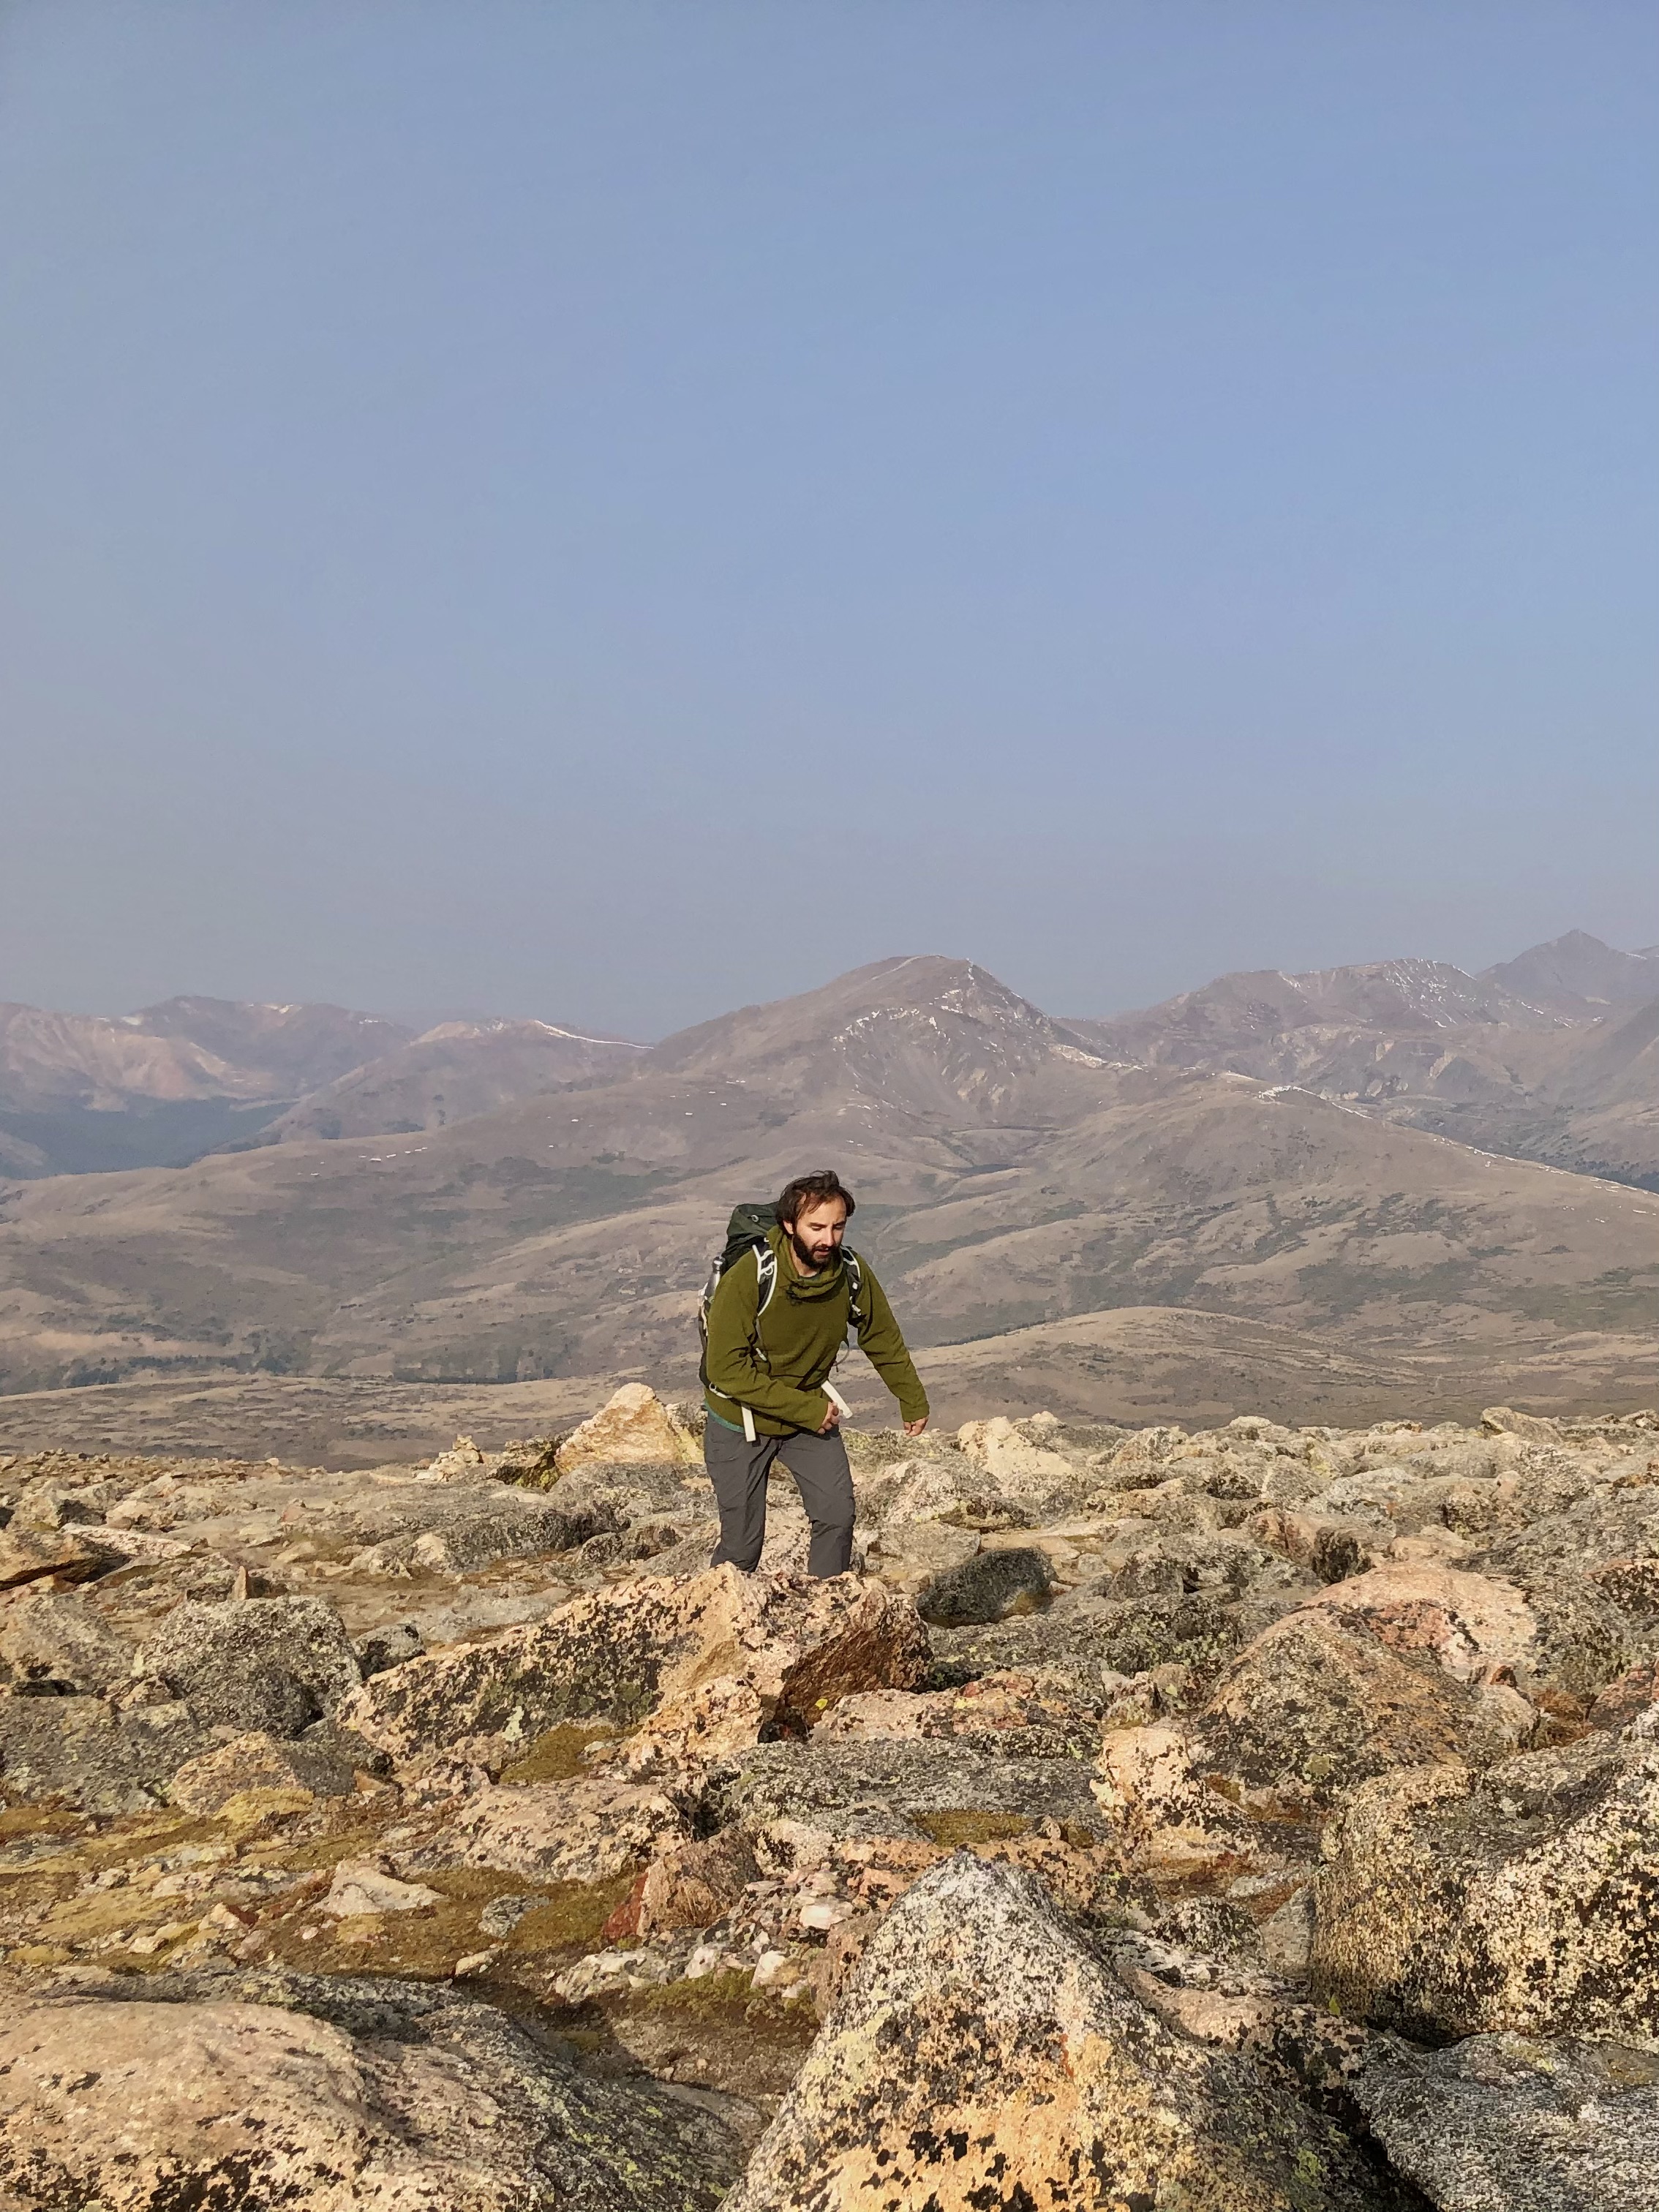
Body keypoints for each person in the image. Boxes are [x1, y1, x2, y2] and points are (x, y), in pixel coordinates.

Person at [701, 1168, 929, 1577]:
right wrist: (806, 1410)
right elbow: (725, 1369)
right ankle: (714, 1627)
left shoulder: (850, 1273)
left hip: (806, 1419)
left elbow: (881, 1336)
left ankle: (829, 1613)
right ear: (790, 1225)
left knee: (837, 1518)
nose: (828, 1239)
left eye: (838, 1227)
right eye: (816, 1227)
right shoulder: (751, 1276)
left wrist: (911, 1397)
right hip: (741, 1421)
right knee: (741, 1548)